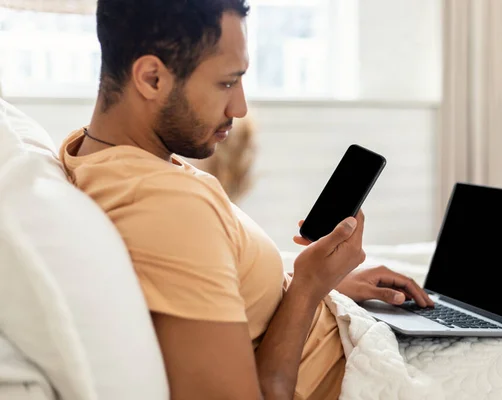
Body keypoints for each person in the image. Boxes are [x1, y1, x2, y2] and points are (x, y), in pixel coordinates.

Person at [59, 1, 434, 399]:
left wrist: (328, 285)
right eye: (226, 82)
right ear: (151, 78)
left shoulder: (91, 153)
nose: (239, 107)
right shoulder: (168, 206)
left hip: (350, 330)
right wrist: (307, 287)